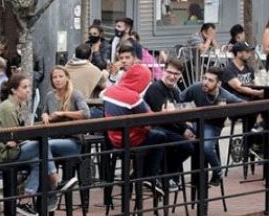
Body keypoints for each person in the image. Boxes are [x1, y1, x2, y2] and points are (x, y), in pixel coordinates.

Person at [0, 74, 67, 216]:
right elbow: (14, 136)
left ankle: (25, 201)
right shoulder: (8, 107)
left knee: (39, 161)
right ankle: (55, 182)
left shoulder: (16, 105)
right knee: (40, 144)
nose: (29, 90)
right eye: (24, 87)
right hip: (3, 153)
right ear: (13, 90)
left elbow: (18, 135)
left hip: (11, 148)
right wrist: (25, 135)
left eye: (29, 87)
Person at [103, 64, 167, 192]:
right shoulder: (133, 97)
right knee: (161, 136)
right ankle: (149, 176)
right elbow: (150, 118)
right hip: (130, 140)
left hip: (113, 139)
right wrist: (165, 112)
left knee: (153, 137)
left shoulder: (109, 92)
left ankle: (137, 174)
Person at [180, 67, 243, 186]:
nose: (205, 82)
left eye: (210, 80)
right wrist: (185, 121)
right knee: (176, 142)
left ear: (218, 83)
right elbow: (179, 99)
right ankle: (172, 176)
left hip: (213, 126)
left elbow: (244, 107)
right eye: (204, 78)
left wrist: (228, 111)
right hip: (195, 123)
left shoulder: (227, 97)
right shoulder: (196, 88)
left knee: (207, 147)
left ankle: (218, 171)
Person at [142, 58, 194, 189]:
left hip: (169, 128)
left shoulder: (175, 91)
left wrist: (186, 127)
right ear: (163, 71)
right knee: (186, 146)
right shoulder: (155, 88)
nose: (172, 76)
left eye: (176, 74)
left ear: (180, 75)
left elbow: (178, 114)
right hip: (156, 129)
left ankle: (188, 179)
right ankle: (165, 174)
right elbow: (164, 117)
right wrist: (183, 129)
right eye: (169, 72)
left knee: (196, 139)